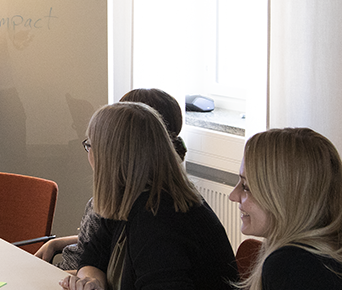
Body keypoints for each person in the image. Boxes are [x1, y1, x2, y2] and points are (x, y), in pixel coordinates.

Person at [60, 102, 238, 290]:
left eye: (90, 146)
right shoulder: (131, 198)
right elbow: (93, 256)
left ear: (109, 157)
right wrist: (91, 280)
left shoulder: (158, 218)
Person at [37, 88, 188, 271]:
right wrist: (56, 244)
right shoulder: (126, 194)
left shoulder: (141, 207)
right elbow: (106, 244)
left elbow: (114, 269)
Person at [230, 128, 342, 290]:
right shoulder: (339, 252)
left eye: (246, 186)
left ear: (286, 196)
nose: (233, 195)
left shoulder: (292, 266)